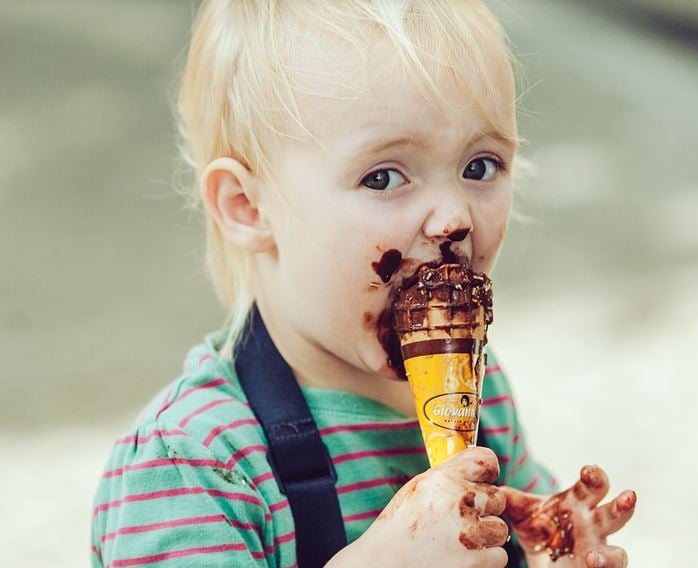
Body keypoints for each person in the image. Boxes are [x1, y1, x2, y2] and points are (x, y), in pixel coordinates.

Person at [90, 1, 636, 567]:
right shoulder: (197, 463)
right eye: (383, 176)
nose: (454, 218)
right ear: (249, 207)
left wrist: (548, 548)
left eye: (479, 166)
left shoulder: (481, 392)